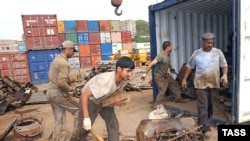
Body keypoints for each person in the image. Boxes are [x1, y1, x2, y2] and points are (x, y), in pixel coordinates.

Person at [181, 32, 228, 137]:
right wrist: (184, 79)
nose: (210, 44)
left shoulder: (218, 52)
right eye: (208, 43)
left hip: (213, 84)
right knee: (203, 106)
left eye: (212, 42)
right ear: (203, 42)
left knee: (210, 107)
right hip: (200, 84)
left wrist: (224, 75)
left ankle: (204, 122)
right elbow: (189, 67)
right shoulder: (196, 53)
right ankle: (205, 128)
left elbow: (224, 64)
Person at [79, 56, 135, 141]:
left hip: (104, 99)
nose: (130, 74)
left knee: (113, 123)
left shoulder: (123, 80)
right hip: (90, 100)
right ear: (119, 69)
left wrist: (115, 101)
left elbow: (116, 93)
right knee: (83, 129)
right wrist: (86, 118)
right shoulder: (105, 82)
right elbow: (84, 95)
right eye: (128, 71)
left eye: (131, 71)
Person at [47, 40, 82, 141]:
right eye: (72, 51)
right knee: (79, 110)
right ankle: (77, 137)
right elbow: (61, 83)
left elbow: (53, 77)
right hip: (58, 94)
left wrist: (71, 79)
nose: (73, 53)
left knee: (59, 119)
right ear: (68, 49)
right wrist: (70, 88)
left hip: (51, 93)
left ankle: (57, 139)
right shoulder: (64, 63)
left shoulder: (56, 60)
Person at [141, 41, 183, 107]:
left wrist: (171, 68)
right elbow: (151, 64)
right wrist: (145, 73)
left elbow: (167, 63)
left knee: (175, 84)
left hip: (165, 74)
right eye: (171, 46)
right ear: (167, 47)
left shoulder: (167, 55)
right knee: (162, 91)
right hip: (159, 76)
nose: (172, 48)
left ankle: (178, 99)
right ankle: (156, 105)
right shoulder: (160, 56)